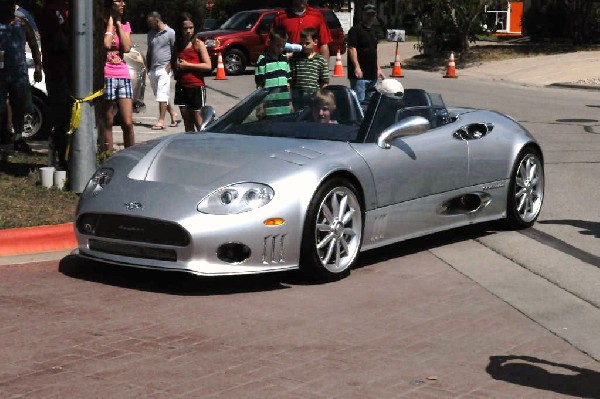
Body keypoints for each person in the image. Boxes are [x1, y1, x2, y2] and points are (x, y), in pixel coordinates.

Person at [0, 0, 41, 153]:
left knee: (20, 106)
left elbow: (34, 45)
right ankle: (4, 135)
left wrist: (38, 66)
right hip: (1, 73)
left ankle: (18, 137)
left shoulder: (22, 24)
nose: (8, 7)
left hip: (18, 71)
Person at [37, 0, 71, 170]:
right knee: (62, 120)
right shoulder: (50, 11)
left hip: (72, 74)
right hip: (57, 73)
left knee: (72, 118)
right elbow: (58, 43)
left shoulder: (69, 10)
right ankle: (63, 162)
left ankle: (70, 159)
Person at [100, 0, 134, 151]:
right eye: (119, 1)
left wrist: (119, 25)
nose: (123, 4)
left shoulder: (125, 25)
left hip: (122, 74)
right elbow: (106, 44)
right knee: (108, 120)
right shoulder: (101, 23)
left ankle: (131, 155)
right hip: (106, 74)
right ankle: (107, 155)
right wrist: (110, 23)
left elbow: (126, 48)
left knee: (127, 122)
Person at [172, 12, 211, 132]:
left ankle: (202, 145)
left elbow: (208, 66)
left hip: (196, 86)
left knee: (199, 121)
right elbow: (174, 62)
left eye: (191, 28)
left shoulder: (198, 44)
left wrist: (188, 65)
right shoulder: (177, 44)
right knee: (187, 120)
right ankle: (189, 145)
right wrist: (176, 66)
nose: (188, 31)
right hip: (182, 86)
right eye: (185, 28)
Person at [146, 11, 178, 130]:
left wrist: (171, 64)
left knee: (162, 94)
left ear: (157, 20)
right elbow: (149, 51)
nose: (149, 25)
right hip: (153, 69)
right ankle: (173, 114)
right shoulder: (151, 34)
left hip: (164, 68)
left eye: (150, 22)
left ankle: (161, 121)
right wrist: (147, 66)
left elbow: (175, 49)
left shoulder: (170, 32)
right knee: (160, 95)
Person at [347, 3, 386, 102]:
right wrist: (357, 67)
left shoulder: (373, 32)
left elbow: (374, 52)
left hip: (372, 75)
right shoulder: (355, 30)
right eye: (368, 14)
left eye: (372, 15)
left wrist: (379, 69)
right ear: (363, 14)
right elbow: (352, 49)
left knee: (371, 103)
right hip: (360, 76)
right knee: (359, 102)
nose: (370, 17)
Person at [254, 26, 292, 118]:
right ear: (270, 43)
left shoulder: (284, 60)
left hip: (284, 107)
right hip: (269, 108)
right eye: (278, 45)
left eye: (283, 46)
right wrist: (260, 106)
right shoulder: (263, 60)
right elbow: (260, 85)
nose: (281, 49)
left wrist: (291, 103)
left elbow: (288, 83)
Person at [289, 27, 328, 109]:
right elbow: (291, 79)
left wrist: (322, 97)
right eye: (302, 43)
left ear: (315, 42)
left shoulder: (320, 60)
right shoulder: (295, 58)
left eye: (307, 43)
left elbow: (324, 82)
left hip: (314, 98)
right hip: (298, 98)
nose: (304, 45)